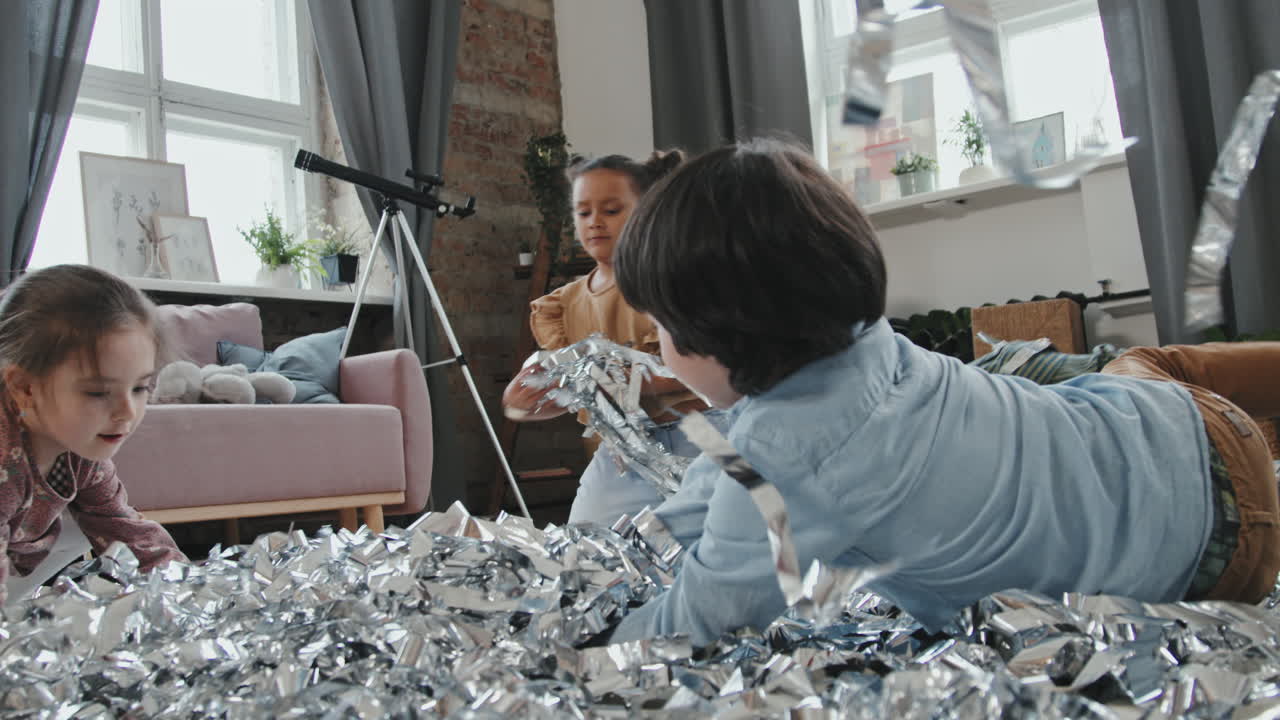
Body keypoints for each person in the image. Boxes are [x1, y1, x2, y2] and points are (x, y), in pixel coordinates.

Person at [606, 138, 1280, 647]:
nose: (657, 347)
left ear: (724, 334)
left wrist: (589, 653)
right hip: (1195, 428)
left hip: (1214, 563)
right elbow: (711, 485)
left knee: (1130, 372)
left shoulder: (783, 459)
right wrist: (644, 539)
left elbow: (702, 620)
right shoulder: (862, 343)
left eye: (662, 329)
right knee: (1139, 365)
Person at [502, 151, 727, 526]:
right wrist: (530, 398)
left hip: (701, 437)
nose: (595, 223)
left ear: (645, 212)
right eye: (584, 212)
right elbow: (570, 384)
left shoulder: (674, 282)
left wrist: (633, 382)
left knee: (717, 542)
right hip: (620, 453)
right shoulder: (563, 304)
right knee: (586, 543)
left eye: (611, 210)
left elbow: (716, 366)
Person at [0, 264, 186, 603]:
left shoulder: (78, 446)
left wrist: (189, 593)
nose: (127, 412)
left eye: (141, 387)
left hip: (20, 552)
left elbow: (125, 531)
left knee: (94, 519)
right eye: (98, 393)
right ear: (25, 388)